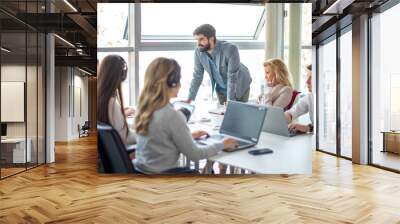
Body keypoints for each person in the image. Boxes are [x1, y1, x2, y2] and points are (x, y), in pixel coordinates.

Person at [133, 57, 238, 174]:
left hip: (142, 174)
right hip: (165, 181)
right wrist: (222, 144)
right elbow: (195, 155)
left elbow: (159, 141)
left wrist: (188, 137)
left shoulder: (144, 109)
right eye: (178, 79)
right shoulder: (171, 115)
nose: (180, 84)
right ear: (171, 82)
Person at [186, 24, 252, 105]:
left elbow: (232, 78)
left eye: (201, 39)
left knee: (237, 113)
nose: (198, 43)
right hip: (221, 88)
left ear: (211, 38)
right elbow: (197, 76)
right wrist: (189, 100)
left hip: (239, 85)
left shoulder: (230, 49)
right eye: (197, 40)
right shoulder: (198, 52)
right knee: (221, 114)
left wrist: (230, 102)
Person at [97, 54, 136, 146]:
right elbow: (124, 137)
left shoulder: (102, 98)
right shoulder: (112, 103)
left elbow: (120, 129)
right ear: (121, 74)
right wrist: (146, 137)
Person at [285, 65, 314, 133]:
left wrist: (308, 128)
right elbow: (292, 113)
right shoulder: (310, 97)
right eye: (307, 77)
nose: (307, 81)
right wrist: (279, 118)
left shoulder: (334, 99)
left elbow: (330, 129)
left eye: (311, 78)